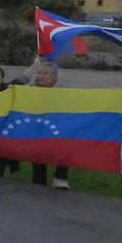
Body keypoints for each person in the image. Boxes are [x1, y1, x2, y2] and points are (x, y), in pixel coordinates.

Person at [28, 60, 72, 189]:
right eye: (39, 73)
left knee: (66, 147)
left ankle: (60, 177)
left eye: (45, 73)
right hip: (37, 127)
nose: (41, 76)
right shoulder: (28, 89)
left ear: (55, 76)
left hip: (58, 126)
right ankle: (39, 182)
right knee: (38, 154)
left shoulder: (64, 91)